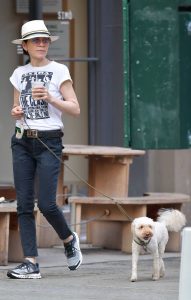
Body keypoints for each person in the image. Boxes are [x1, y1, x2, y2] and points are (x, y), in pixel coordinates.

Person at [7, 20, 82, 279]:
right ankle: (31, 263)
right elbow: (17, 111)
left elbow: (75, 108)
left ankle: (69, 238)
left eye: (45, 40)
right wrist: (16, 112)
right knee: (24, 205)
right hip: (21, 141)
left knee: (48, 203)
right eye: (36, 40)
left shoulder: (59, 70)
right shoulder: (19, 74)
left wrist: (51, 98)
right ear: (25, 46)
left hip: (49, 141)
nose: (41, 44)